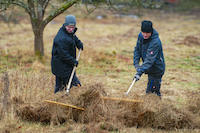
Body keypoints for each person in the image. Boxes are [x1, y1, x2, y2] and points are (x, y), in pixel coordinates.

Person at [51, 15, 83, 93]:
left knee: (60, 86)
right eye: (69, 27)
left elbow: (73, 37)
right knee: (74, 84)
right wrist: (73, 61)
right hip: (61, 66)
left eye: (73, 27)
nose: (71, 29)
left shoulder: (68, 32)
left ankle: (59, 97)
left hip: (65, 65)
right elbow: (63, 54)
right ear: (65, 25)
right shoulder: (61, 38)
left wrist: (79, 43)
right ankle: (75, 97)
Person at [133, 20, 165, 97]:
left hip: (156, 69)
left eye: (147, 33)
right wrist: (136, 64)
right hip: (149, 68)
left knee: (152, 93)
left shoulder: (155, 42)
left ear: (151, 32)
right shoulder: (141, 36)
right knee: (150, 92)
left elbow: (149, 60)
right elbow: (137, 50)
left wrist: (139, 72)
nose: (145, 35)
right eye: (143, 32)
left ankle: (157, 107)